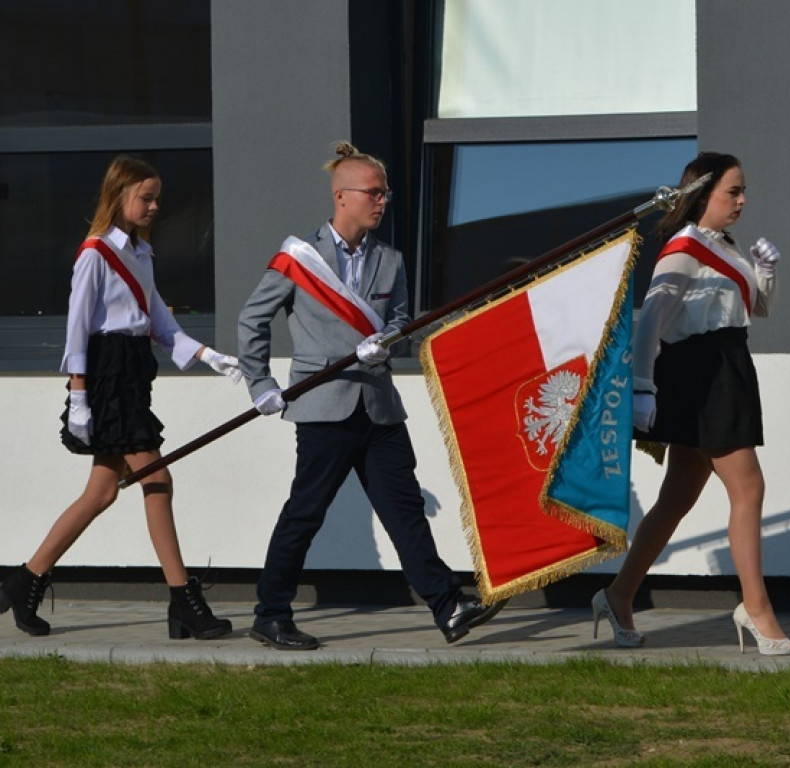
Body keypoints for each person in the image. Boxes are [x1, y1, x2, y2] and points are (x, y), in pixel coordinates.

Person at [237, 141, 505, 650]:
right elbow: (252, 320)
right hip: (323, 404)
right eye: (373, 193)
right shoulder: (300, 257)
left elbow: (401, 322)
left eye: (385, 194)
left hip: (379, 407)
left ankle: (448, 605)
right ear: (342, 196)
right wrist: (262, 384)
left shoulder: (390, 259)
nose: (382, 201)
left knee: (403, 508)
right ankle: (270, 614)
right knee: (306, 512)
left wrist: (387, 342)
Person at [0, 155, 239, 640]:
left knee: (102, 492)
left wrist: (207, 355)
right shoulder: (95, 253)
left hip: (132, 372)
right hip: (106, 376)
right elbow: (77, 328)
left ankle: (25, 580)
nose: (154, 207)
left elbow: (159, 323)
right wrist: (79, 396)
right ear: (119, 195)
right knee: (158, 478)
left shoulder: (142, 253)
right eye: (145, 198)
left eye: (157, 199)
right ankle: (184, 600)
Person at [592, 151, 790, 655]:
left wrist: (766, 270)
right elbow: (650, 320)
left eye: (744, 191)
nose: (743, 200)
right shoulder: (684, 248)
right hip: (701, 374)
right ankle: (755, 608)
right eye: (734, 191)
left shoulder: (724, 245)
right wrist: (643, 387)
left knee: (678, 497)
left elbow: (758, 307)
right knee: (749, 487)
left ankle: (617, 595)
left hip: (727, 364)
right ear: (704, 194)